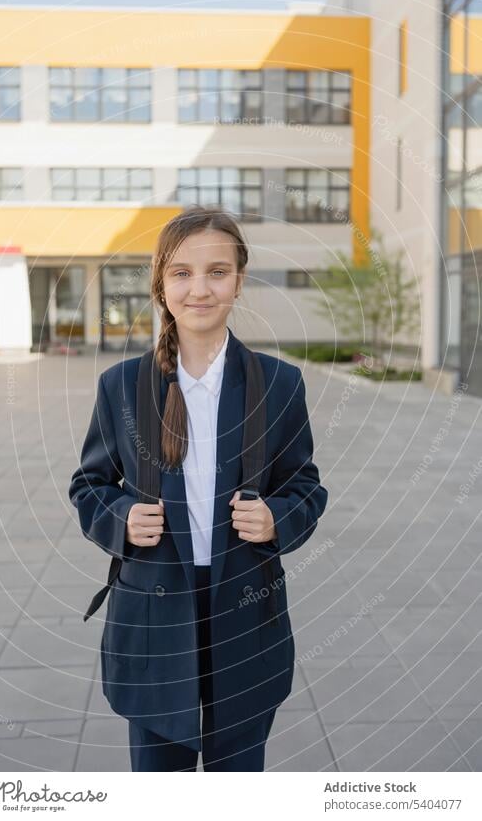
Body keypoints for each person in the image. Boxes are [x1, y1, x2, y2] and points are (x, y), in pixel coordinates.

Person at [69, 205, 328, 771]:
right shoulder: (123, 386)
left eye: (217, 272)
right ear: (161, 284)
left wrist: (278, 520)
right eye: (182, 273)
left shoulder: (279, 384)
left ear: (238, 280)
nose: (200, 289)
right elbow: (89, 485)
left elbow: (305, 486)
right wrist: (121, 519)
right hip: (155, 616)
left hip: (244, 610)